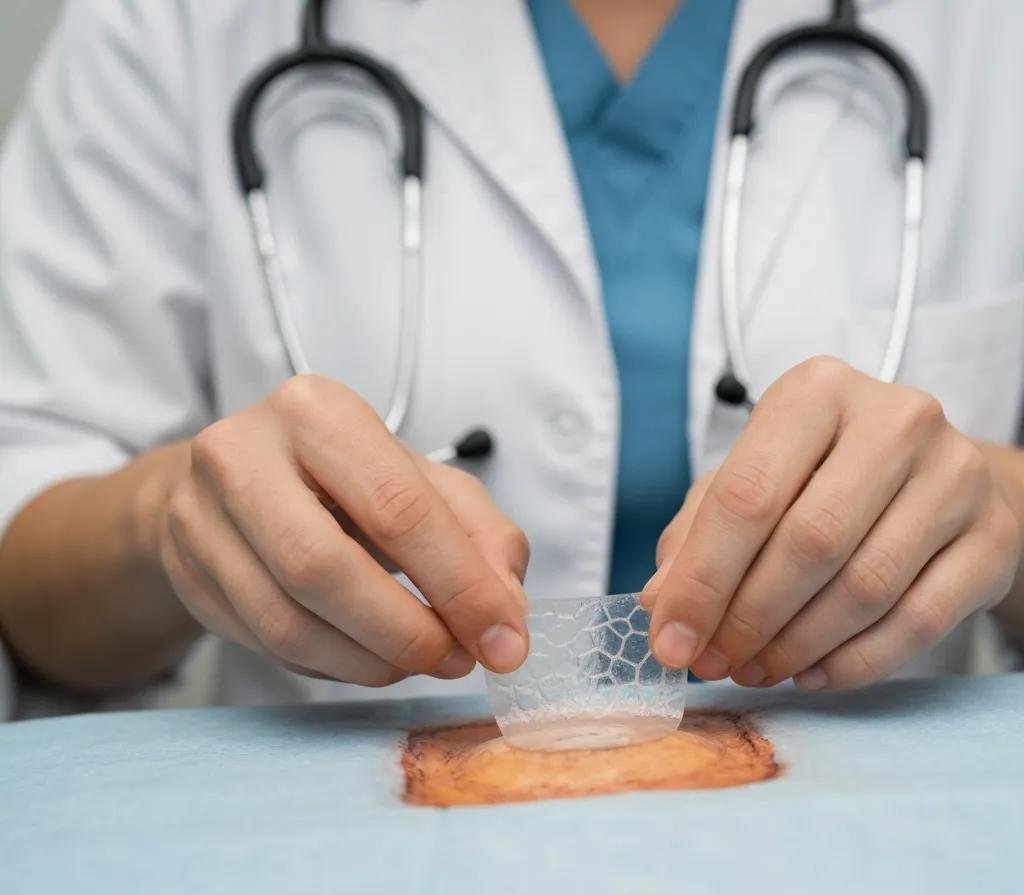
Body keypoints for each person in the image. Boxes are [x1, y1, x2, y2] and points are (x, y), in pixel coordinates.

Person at [1, 0, 1023, 720]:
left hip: (860, 859)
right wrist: (164, 524)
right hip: (350, 874)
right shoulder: (178, 23)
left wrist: (997, 507)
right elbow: (26, 550)